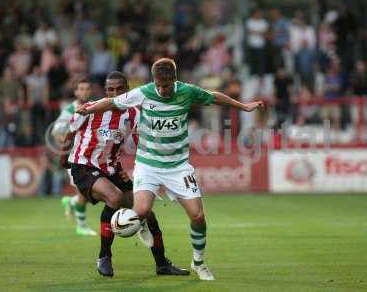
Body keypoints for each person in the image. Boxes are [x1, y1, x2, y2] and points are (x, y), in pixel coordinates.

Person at [77, 58, 264, 280]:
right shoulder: (145, 91)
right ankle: (140, 225)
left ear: (174, 80)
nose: (161, 89)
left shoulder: (187, 91)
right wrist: (89, 109)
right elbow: (113, 102)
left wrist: (243, 106)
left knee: (198, 216)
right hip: (148, 164)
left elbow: (214, 97)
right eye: (158, 84)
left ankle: (198, 262)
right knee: (142, 210)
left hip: (178, 166)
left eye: (165, 85)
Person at [61, 71, 188, 277]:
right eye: (110, 90)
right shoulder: (91, 108)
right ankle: (104, 257)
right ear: (105, 91)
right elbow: (70, 132)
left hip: (112, 169)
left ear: (127, 89)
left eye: (119, 89)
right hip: (85, 165)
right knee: (115, 197)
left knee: (147, 213)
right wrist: (63, 159)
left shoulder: (134, 114)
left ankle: (162, 264)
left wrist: (143, 172)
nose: (114, 93)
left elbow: (142, 146)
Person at [51, 79, 97, 236]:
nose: (84, 91)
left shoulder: (95, 107)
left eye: (87, 88)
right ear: (76, 92)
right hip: (73, 158)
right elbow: (56, 131)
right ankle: (81, 226)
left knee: (89, 193)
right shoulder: (70, 109)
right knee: (84, 193)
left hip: (89, 156)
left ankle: (70, 202)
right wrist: (68, 145)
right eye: (81, 89)